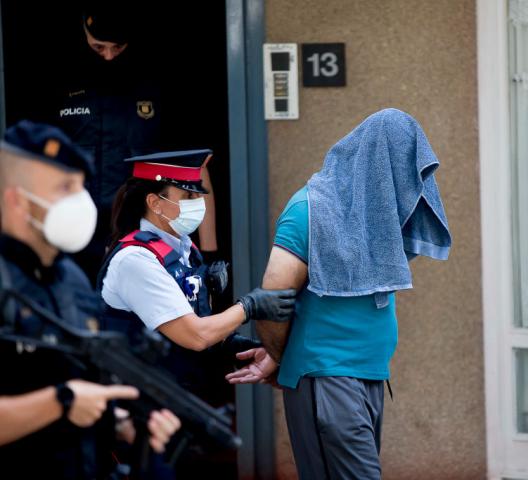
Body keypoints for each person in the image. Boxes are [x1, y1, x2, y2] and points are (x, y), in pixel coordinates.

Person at [225, 108, 452, 480]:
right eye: (401, 172)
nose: (409, 186)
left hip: (368, 376)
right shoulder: (308, 210)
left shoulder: (376, 218)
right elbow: (273, 296)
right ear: (377, 165)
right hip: (327, 380)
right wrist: (280, 356)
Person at [98, 149, 296, 478]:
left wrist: (240, 347)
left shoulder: (182, 249)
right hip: (138, 413)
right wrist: (249, 306)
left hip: (177, 400)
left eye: (198, 194)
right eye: (188, 196)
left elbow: (200, 323)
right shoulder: (136, 259)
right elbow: (196, 335)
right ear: (155, 203)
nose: (197, 203)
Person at [0, 120, 181, 479]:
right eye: (65, 188)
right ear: (17, 200)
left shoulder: (72, 278)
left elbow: (81, 386)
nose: (80, 201)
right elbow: (68, 397)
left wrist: (124, 423)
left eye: (81, 187)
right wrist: (62, 401)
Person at [48, 1, 219, 281]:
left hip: (143, 234)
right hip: (76, 231)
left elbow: (196, 168)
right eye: (98, 47)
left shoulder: (157, 81)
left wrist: (209, 255)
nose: (108, 57)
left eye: (117, 47)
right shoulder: (60, 79)